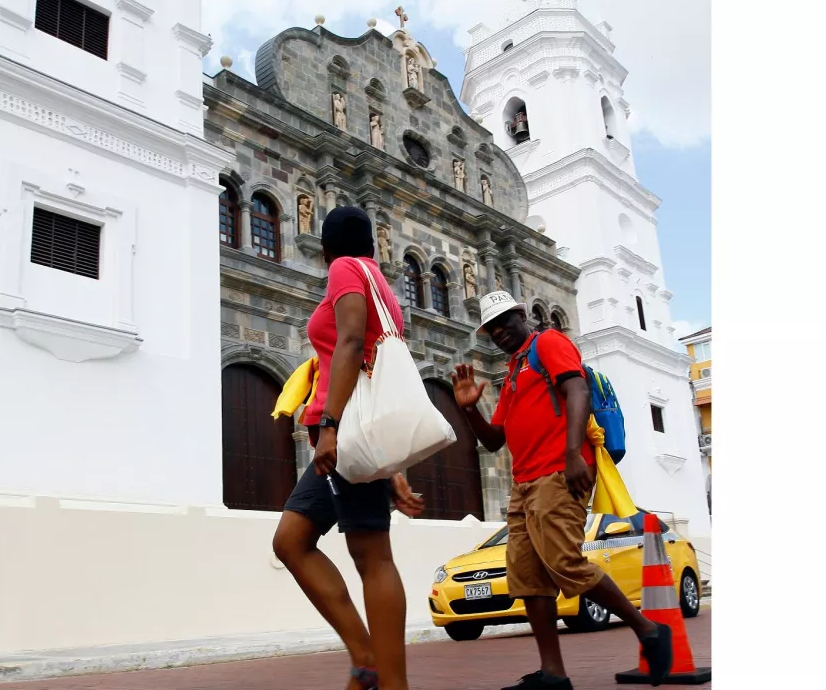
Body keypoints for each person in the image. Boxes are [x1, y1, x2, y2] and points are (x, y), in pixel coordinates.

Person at [450, 290, 674, 690]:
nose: (499, 332)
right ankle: (553, 674)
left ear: (522, 316)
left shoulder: (549, 343)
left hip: (558, 472)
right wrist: (468, 408)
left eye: (504, 322)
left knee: (564, 562)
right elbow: (494, 440)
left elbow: (578, 390)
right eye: (491, 328)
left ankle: (649, 629)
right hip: (523, 483)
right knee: (528, 577)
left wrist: (573, 453)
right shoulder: (514, 371)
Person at [271, 206, 425, 690]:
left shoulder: (344, 269)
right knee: (291, 541)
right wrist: (387, 464)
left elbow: (354, 343)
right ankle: (366, 658)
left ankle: (393, 683)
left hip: (342, 433)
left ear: (324, 248)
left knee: (372, 555)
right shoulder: (382, 286)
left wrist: (331, 426)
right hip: (349, 435)